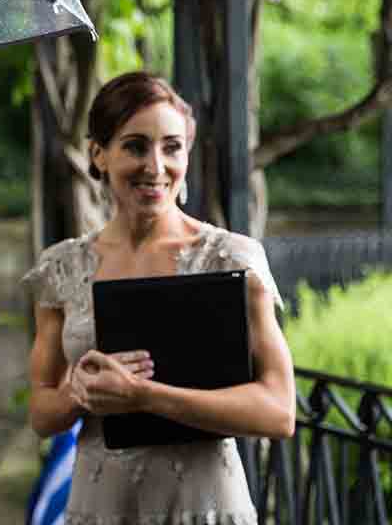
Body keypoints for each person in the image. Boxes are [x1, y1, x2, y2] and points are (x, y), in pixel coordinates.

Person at [21, 71, 295, 521]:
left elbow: (279, 411)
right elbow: (41, 413)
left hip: (203, 506)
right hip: (103, 506)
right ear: (99, 154)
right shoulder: (60, 268)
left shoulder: (231, 258)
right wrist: (77, 391)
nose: (155, 165)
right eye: (134, 146)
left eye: (171, 146)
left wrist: (143, 396)